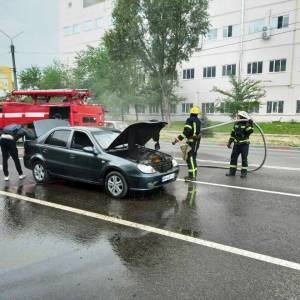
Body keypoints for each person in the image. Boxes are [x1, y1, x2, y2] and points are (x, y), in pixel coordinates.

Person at [172, 106, 201, 181]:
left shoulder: (189, 120)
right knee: (193, 158)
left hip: (192, 141)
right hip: (196, 142)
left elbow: (186, 131)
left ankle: (192, 177)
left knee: (190, 158)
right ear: (197, 113)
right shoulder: (198, 121)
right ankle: (194, 174)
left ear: (191, 113)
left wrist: (177, 139)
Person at [226, 111, 254, 178]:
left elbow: (250, 131)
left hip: (244, 144)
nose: (237, 117)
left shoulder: (246, 124)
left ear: (242, 117)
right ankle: (232, 172)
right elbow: (232, 134)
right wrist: (229, 142)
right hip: (236, 144)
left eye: (238, 116)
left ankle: (243, 173)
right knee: (233, 158)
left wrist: (250, 124)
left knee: (244, 159)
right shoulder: (236, 124)